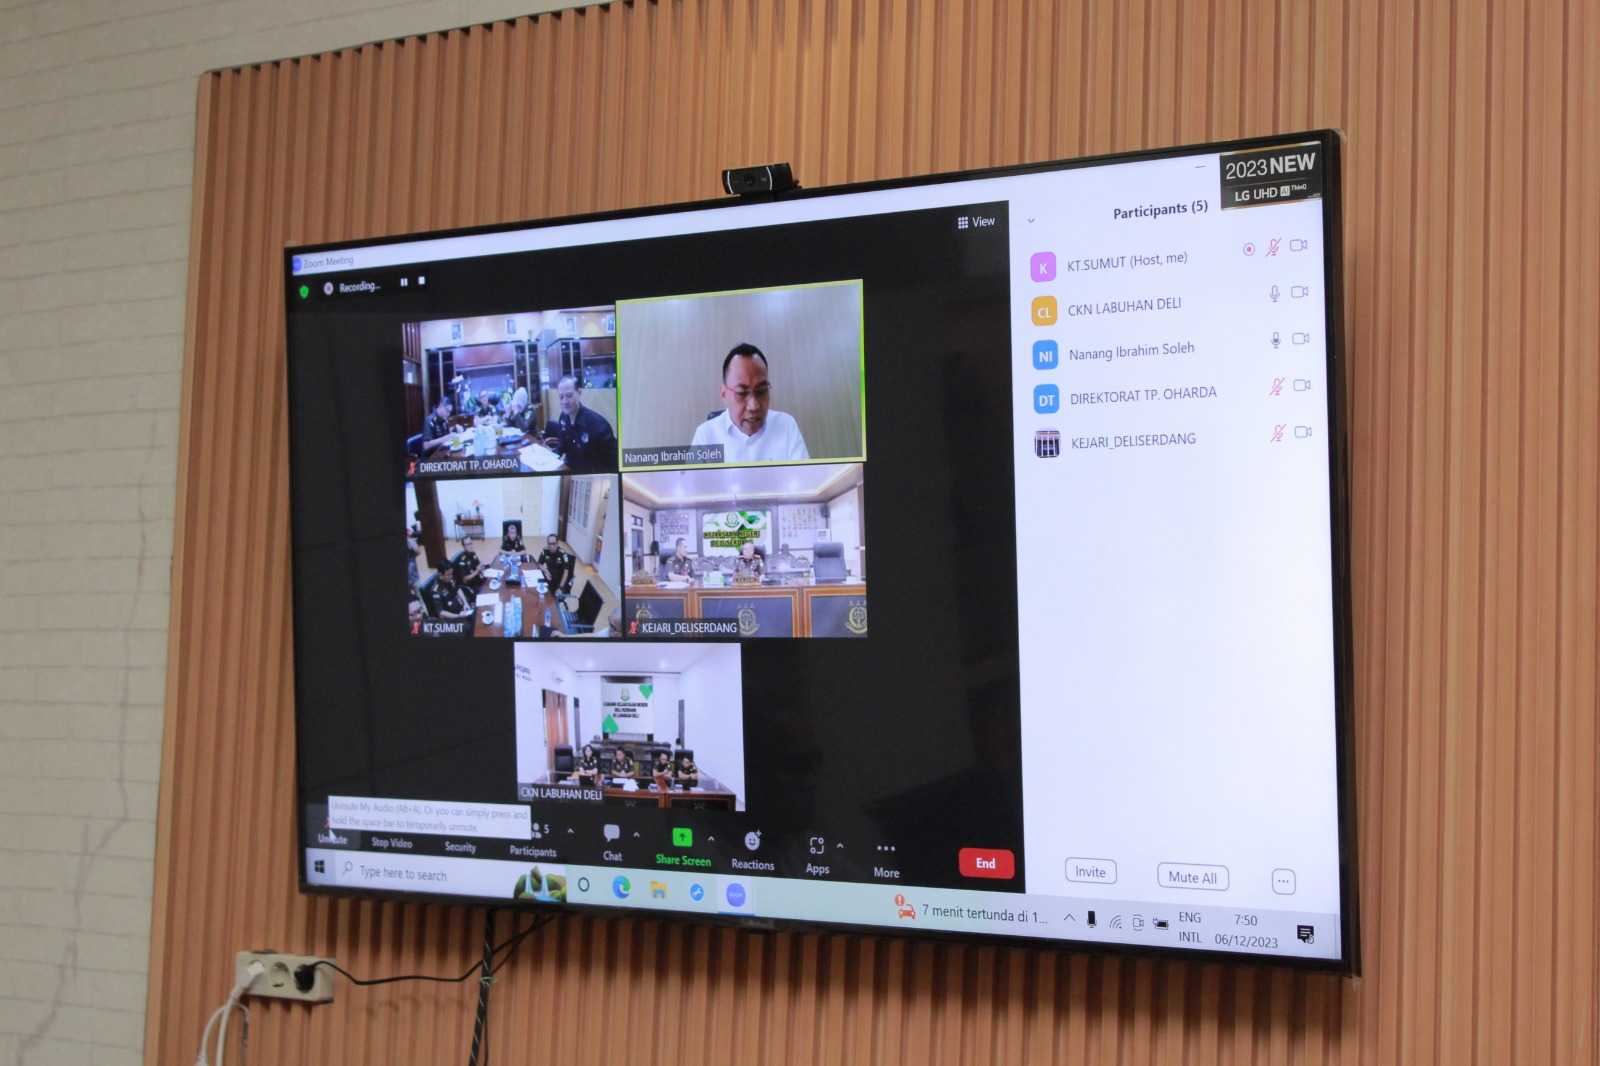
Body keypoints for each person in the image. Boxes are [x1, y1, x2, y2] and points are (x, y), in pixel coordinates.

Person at [689, 343, 810, 463]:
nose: (754, 406)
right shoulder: (705, 436)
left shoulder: (786, 425)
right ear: (724, 394)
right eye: (741, 393)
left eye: (761, 391)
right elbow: (691, 476)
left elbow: (804, 474)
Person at [541, 376, 617, 473]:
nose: (564, 401)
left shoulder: (599, 426)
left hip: (591, 474)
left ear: (579, 393)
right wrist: (550, 457)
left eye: (569, 396)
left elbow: (611, 464)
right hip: (569, 469)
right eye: (561, 397)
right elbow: (562, 444)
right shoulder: (563, 417)